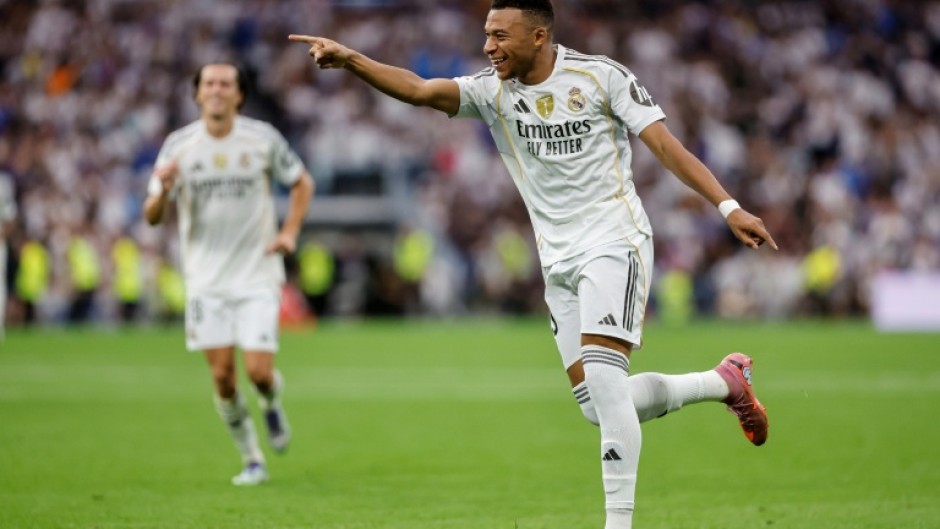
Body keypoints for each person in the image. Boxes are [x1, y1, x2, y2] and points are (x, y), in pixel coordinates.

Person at [290, 0, 776, 526]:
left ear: (539, 36)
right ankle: (725, 382)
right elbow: (419, 89)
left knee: (608, 384)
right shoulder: (490, 91)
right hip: (557, 259)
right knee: (597, 404)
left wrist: (728, 206)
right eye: (486, 34)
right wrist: (352, 60)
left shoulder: (600, 77)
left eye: (500, 35)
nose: (488, 46)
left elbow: (664, 144)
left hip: (614, 242)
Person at [143, 63, 315, 486]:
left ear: (239, 95)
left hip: (257, 273)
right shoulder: (178, 147)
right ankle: (252, 458)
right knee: (222, 377)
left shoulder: (261, 139)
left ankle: (271, 402)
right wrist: (163, 190)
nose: (216, 90)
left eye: (225, 84)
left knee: (257, 372)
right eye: (209, 84)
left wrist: (290, 232)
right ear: (197, 94)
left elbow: (302, 183)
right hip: (205, 280)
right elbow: (151, 217)